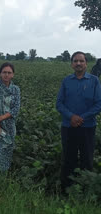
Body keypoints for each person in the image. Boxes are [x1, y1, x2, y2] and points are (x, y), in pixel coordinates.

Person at [56, 51, 101, 193]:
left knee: (87, 159)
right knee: (68, 159)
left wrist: (82, 118)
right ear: (71, 64)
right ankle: (66, 191)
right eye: (75, 61)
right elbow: (59, 103)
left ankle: (85, 191)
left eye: (81, 61)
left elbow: (98, 104)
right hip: (68, 127)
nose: (78, 63)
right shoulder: (66, 81)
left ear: (86, 64)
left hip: (87, 127)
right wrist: (71, 117)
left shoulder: (94, 81)